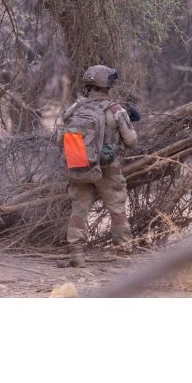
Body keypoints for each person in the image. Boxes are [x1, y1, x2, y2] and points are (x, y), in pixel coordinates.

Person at [57, 65, 138, 268]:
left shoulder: (74, 108)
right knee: (117, 208)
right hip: (108, 168)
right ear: (107, 84)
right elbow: (131, 140)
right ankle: (123, 255)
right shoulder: (115, 109)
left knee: (79, 209)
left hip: (79, 165)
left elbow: (60, 140)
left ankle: (76, 254)